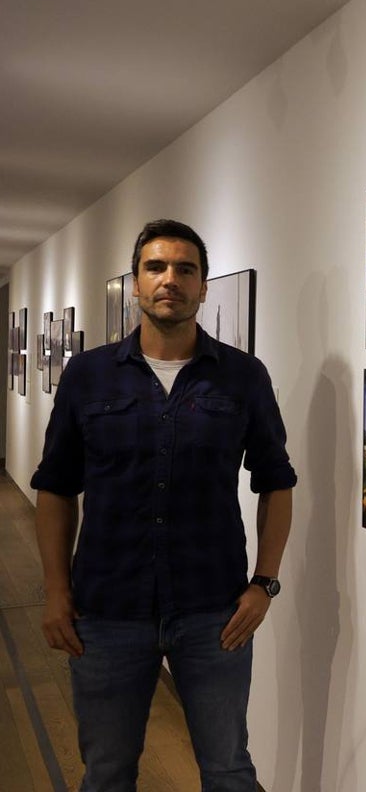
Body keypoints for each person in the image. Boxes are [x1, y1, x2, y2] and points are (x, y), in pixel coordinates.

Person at [32, 219, 297, 790]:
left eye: (185, 269)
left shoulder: (244, 378)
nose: (169, 279)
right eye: (156, 267)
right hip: (105, 610)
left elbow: (276, 481)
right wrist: (55, 591)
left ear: (203, 286)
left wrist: (265, 583)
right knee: (106, 772)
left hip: (214, 610)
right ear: (135, 283)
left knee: (229, 770)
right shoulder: (88, 375)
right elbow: (55, 487)